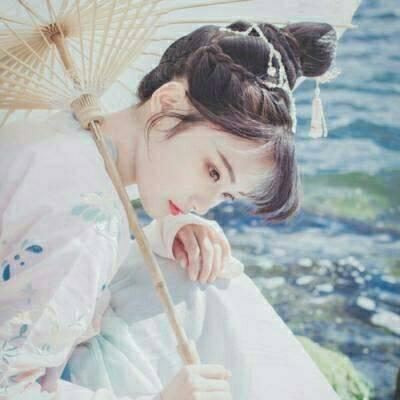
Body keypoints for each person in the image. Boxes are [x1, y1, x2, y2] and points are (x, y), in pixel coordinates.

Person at [0, 19, 338, 399]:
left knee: (194, 276)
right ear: (168, 103)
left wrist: (159, 235)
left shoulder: (63, 137)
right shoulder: (86, 223)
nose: (203, 207)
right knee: (211, 292)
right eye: (212, 171)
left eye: (226, 195)